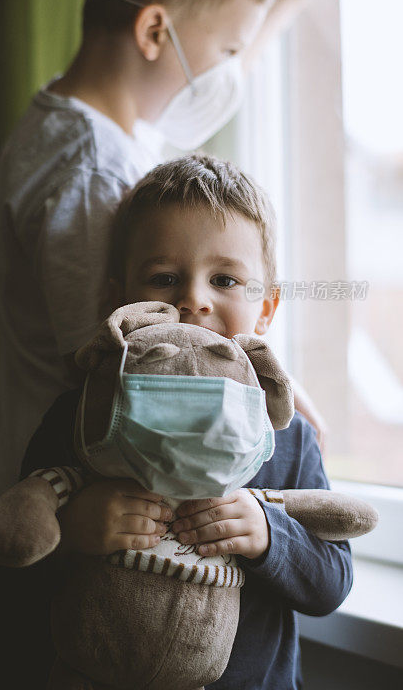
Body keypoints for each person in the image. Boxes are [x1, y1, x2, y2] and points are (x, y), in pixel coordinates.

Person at [0, 0, 327, 686]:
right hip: (69, 524)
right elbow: (122, 374)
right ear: (156, 30)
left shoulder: (82, 129)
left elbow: (223, 80)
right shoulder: (93, 176)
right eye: (222, 48)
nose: (229, 69)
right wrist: (278, 387)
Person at [20, 155, 352, 690]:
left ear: (266, 308)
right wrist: (71, 528)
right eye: (164, 277)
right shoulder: (83, 414)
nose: (194, 299)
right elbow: (14, 553)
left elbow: (332, 582)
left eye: (224, 279)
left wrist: (270, 536)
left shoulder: (287, 434)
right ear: (118, 298)